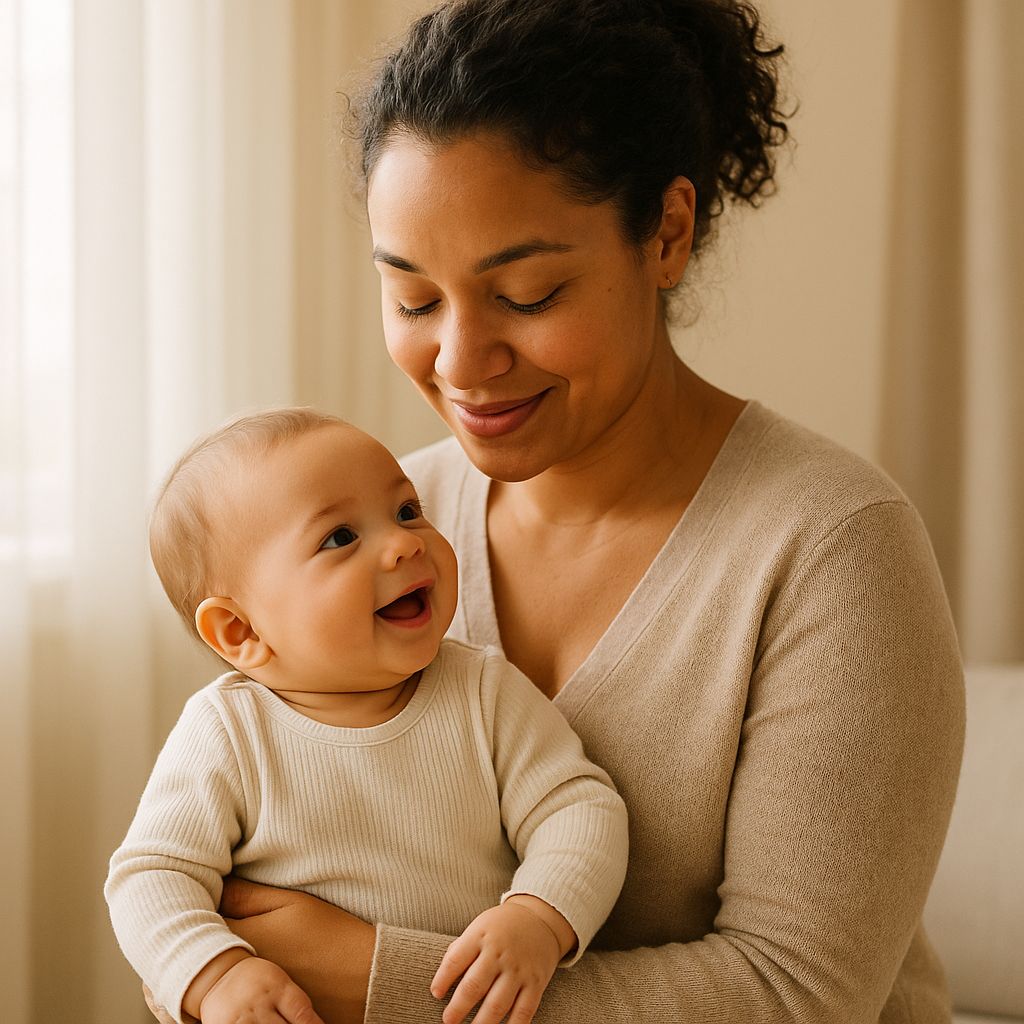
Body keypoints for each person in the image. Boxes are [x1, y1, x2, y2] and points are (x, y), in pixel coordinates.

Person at [144, 0, 965, 1022]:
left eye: (526, 294)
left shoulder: (829, 547)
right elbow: (217, 891)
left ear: (666, 233)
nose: (458, 361)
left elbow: (797, 993)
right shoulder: (379, 533)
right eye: (411, 298)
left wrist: (379, 978)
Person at [107, 408, 628, 1024]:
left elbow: (579, 808)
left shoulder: (482, 691)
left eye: (408, 511)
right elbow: (152, 876)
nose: (406, 542)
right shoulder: (228, 732)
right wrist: (215, 973)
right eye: (340, 538)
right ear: (241, 629)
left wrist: (538, 917)